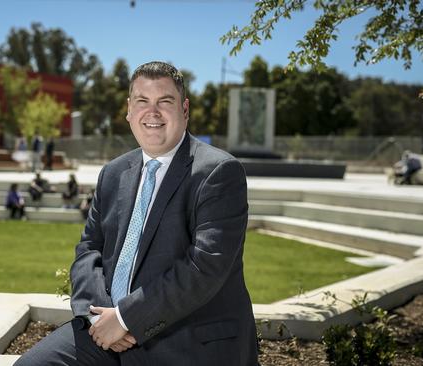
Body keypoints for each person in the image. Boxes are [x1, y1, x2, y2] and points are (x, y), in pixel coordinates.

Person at [16, 61, 258, 365]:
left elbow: (204, 267)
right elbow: (89, 249)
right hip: (105, 329)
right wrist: (100, 318)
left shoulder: (218, 172)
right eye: (142, 101)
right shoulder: (114, 173)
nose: (152, 112)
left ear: (185, 109)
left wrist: (126, 318)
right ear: (129, 110)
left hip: (182, 336)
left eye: (164, 101)